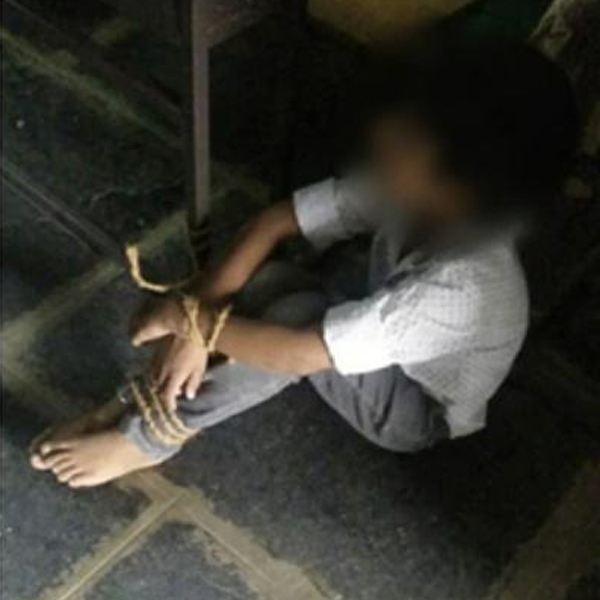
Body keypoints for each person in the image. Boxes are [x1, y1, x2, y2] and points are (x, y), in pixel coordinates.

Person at [30, 37, 578, 488]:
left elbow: (298, 351)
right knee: (265, 283)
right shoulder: (419, 193)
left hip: (414, 408)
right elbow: (274, 222)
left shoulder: (462, 290)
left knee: (290, 317)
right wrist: (196, 321)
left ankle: (147, 439)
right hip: (379, 314)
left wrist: (187, 318)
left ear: (459, 189)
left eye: (408, 135)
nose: (383, 132)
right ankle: (135, 402)